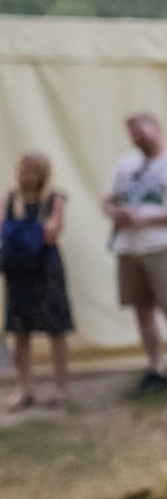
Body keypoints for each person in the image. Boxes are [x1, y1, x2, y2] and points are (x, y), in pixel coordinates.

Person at [104, 113, 167, 398]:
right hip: (128, 248)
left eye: (142, 131)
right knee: (142, 312)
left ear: (158, 129)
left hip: (163, 247)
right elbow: (108, 200)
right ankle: (156, 368)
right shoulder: (125, 164)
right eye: (133, 133)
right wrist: (116, 213)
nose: (137, 137)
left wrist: (145, 220)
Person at [4, 153, 74, 410]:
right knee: (20, 331)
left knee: (56, 330)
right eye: (24, 170)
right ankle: (24, 389)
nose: (27, 175)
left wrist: (18, 232)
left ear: (43, 173)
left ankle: (61, 387)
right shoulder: (10, 199)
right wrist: (31, 232)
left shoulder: (54, 198)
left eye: (33, 170)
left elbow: (52, 232)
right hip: (19, 273)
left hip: (47, 271)